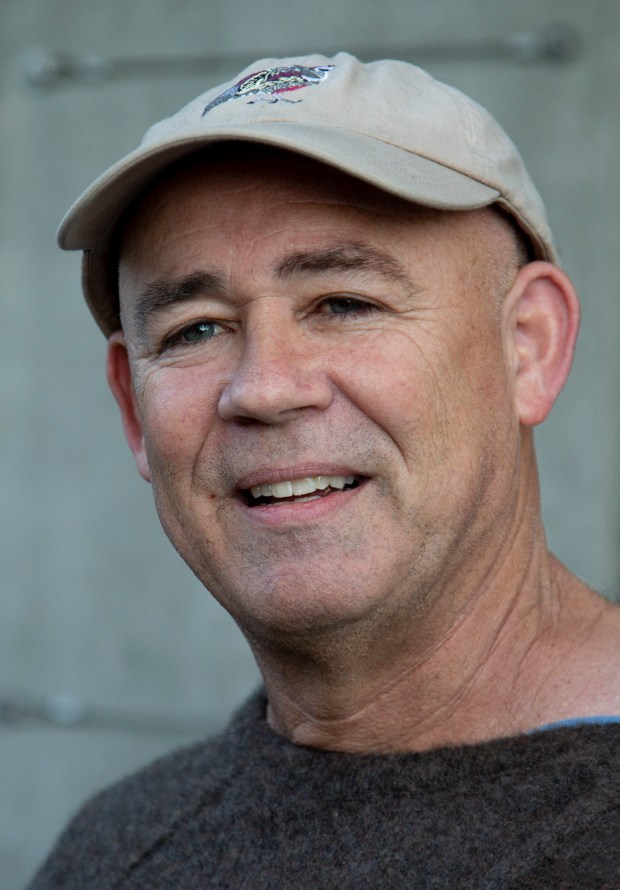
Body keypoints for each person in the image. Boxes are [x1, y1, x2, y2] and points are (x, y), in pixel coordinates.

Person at [29, 53, 619, 888]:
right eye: (195, 330)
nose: (264, 387)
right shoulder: (116, 850)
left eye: (344, 303)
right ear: (133, 409)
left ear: (529, 347)